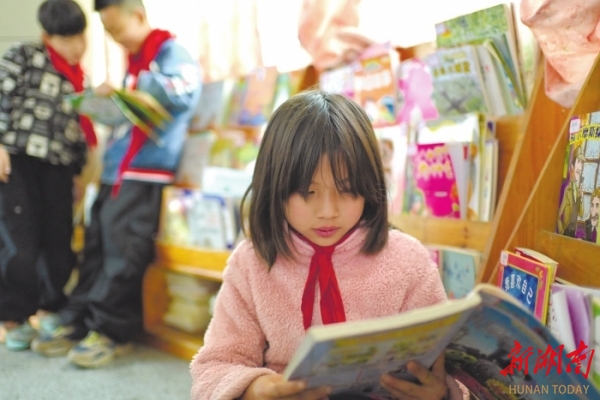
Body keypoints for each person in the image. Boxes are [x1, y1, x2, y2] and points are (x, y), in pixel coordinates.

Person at [189, 90, 468, 400]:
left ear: (370, 186)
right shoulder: (251, 263)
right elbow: (214, 369)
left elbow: (452, 369)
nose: (327, 211)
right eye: (307, 192)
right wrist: (257, 389)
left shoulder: (408, 260)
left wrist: (442, 394)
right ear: (274, 186)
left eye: (347, 190)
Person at [31, 0, 202, 367]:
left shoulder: (169, 52)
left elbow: (186, 90)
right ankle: (81, 316)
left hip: (145, 171)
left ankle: (110, 329)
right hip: (118, 170)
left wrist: (135, 87)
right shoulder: (136, 60)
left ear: (138, 16)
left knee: (123, 250)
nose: (114, 38)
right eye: (107, 32)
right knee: (96, 246)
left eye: (117, 29)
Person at [0, 0, 95, 351]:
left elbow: (77, 130)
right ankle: (13, 316)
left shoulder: (80, 78)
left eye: (81, 36)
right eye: (67, 39)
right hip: (17, 162)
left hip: (59, 167)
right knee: (19, 242)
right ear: (46, 37)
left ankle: (49, 307)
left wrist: (78, 170)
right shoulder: (23, 56)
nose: (77, 46)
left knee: (59, 240)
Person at [557, 144, 584, 237]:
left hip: (573, 234)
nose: (580, 168)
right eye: (579, 162)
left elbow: (581, 213)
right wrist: (561, 232)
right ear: (572, 166)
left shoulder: (577, 190)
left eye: (582, 163)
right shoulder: (566, 188)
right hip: (565, 233)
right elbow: (558, 215)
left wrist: (581, 197)